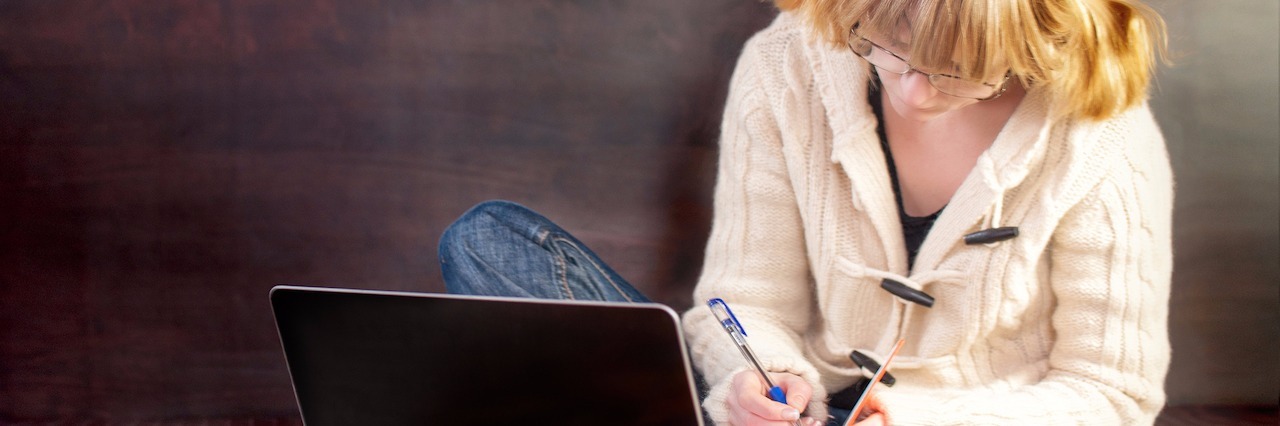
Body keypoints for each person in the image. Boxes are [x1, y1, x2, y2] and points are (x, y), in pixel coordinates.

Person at [439, 0, 1173, 424]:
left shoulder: (1100, 136)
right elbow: (743, 302)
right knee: (486, 243)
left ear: (1036, 43)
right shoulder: (785, 64)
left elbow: (1109, 394)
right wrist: (754, 380)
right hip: (801, 410)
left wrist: (918, 419)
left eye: (962, 71)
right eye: (890, 45)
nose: (915, 93)